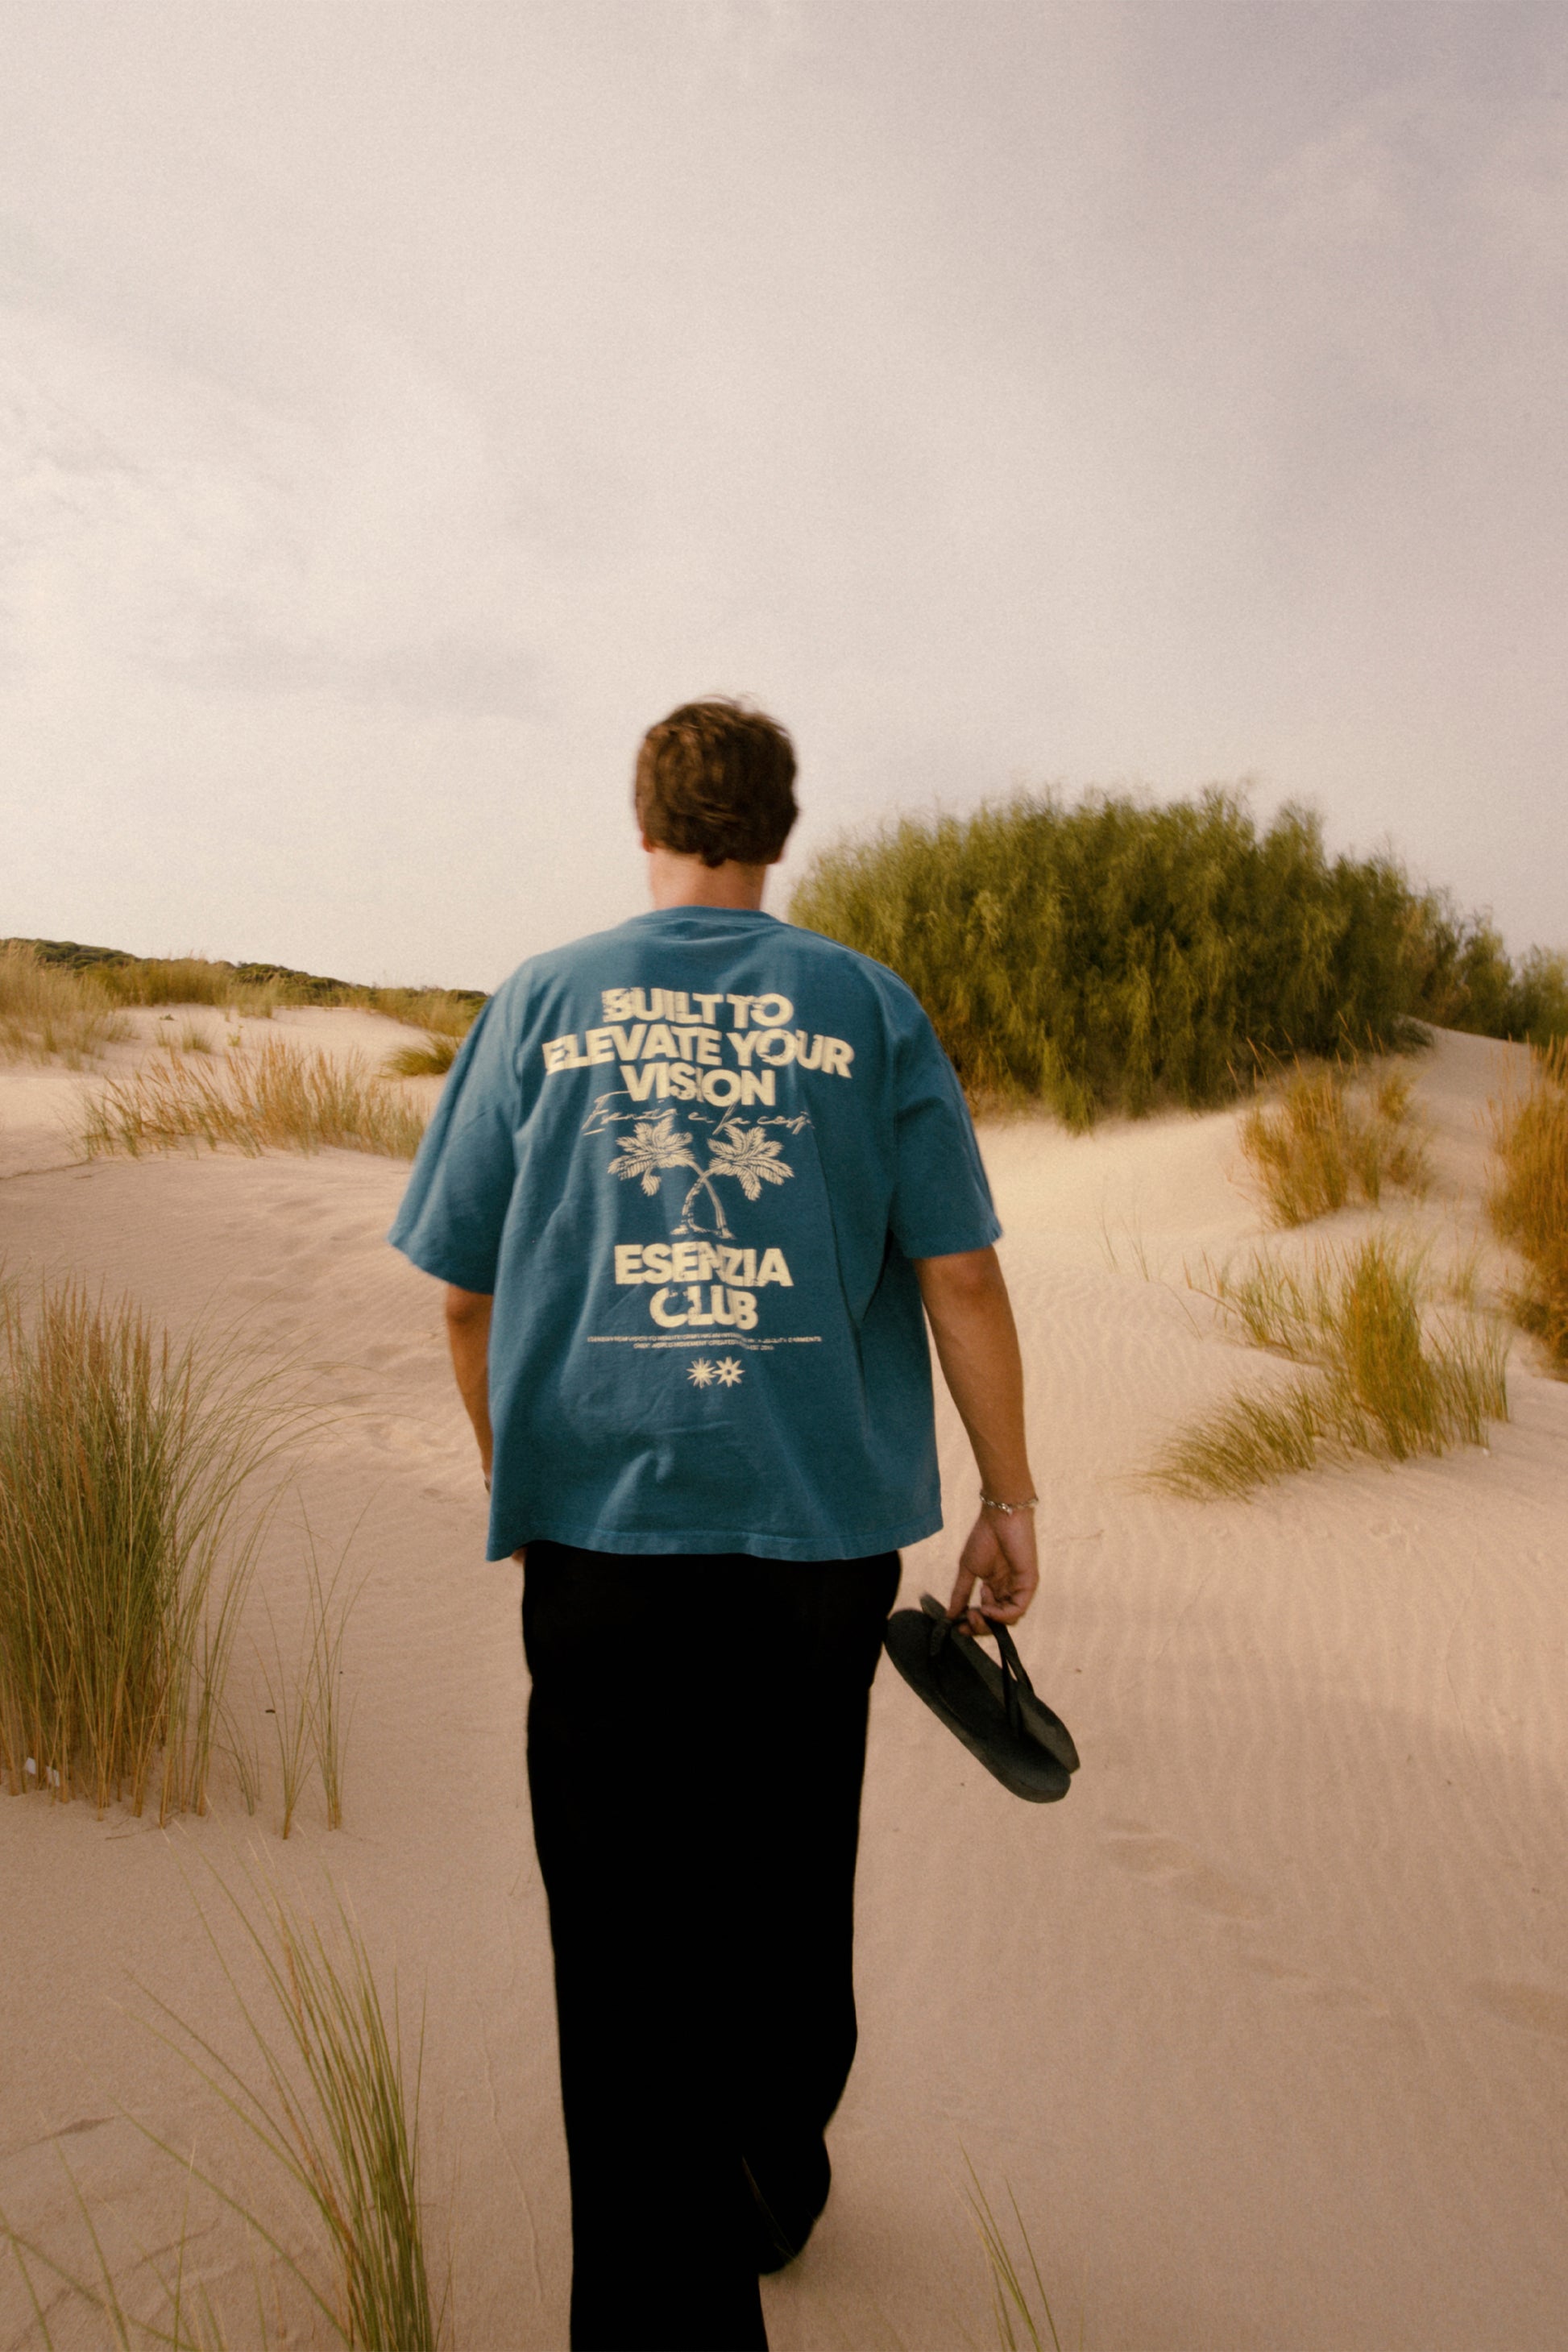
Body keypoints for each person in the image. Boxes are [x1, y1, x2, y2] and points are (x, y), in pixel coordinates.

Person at [388, 699, 1039, 2352]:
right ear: (778, 830)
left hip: (602, 1536)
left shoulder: (543, 1000)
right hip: (818, 1542)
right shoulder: (865, 1004)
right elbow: (959, 1272)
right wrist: (1008, 1495)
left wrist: (518, 1474)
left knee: (622, 1941)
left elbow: (463, 1294)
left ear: (646, 823)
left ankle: (663, 2292)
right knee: (785, 1875)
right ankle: (765, 2172)